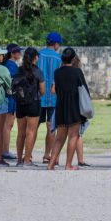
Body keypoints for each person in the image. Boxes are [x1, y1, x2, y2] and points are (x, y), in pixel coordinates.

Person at [47, 48, 89, 171]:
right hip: (74, 107)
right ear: (73, 58)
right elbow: (84, 89)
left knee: (59, 138)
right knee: (73, 136)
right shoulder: (77, 72)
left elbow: (56, 89)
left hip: (60, 106)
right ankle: (68, 164)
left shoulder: (57, 72)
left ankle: (51, 164)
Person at [14, 47, 45, 166]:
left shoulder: (19, 70)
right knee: (30, 132)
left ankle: (18, 160)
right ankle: (27, 160)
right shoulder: (38, 71)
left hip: (20, 104)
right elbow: (42, 90)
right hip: (33, 103)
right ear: (35, 57)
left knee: (20, 132)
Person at [38, 32, 62, 164]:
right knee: (51, 127)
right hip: (53, 97)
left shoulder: (39, 55)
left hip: (39, 96)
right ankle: (48, 155)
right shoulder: (58, 58)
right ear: (56, 44)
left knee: (33, 127)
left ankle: (28, 155)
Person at [1, 43, 22, 161]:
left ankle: (4, 150)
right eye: (18, 51)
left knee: (5, 125)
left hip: (6, 97)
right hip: (10, 97)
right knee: (8, 125)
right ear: (12, 53)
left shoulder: (6, 64)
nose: (19, 53)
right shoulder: (12, 65)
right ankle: (5, 151)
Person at [70, 54, 91, 167]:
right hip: (77, 107)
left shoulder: (60, 72)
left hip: (65, 106)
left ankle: (56, 159)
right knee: (78, 135)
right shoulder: (78, 72)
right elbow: (84, 89)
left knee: (61, 135)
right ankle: (80, 160)